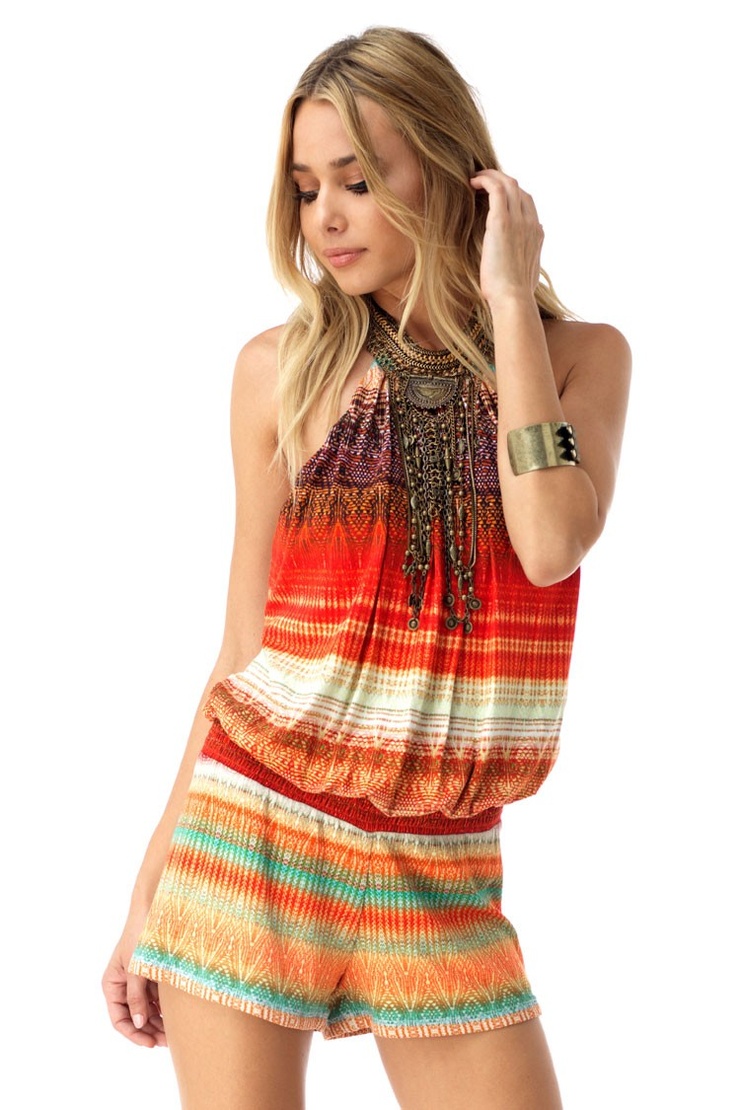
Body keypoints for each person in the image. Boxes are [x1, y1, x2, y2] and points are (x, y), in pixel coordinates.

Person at [102, 25, 630, 1110]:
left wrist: (506, 304)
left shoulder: (580, 359)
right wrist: (149, 881)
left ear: (449, 172)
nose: (325, 218)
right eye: (306, 190)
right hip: (250, 839)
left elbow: (548, 543)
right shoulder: (279, 370)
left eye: (356, 180)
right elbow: (242, 645)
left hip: (441, 872)